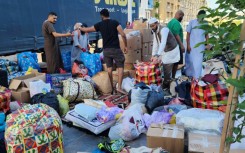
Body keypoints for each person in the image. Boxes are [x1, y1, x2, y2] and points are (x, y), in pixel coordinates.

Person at [79, 9, 128, 94]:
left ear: (102, 16)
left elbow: (87, 30)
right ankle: (119, 87)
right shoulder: (115, 22)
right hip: (116, 49)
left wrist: (80, 28)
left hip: (106, 50)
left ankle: (112, 88)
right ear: (109, 14)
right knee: (120, 66)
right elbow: (123, 34)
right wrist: (126, 46)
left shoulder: (100, 24)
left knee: (109, 68)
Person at [149, 18, 180, 90]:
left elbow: (163, 43)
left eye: (153, 26)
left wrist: (157, 55)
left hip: (172, 50)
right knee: (165, 68)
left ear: (157, 23)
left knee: (167, 67)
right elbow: (155, 43)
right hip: (166, 51)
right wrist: (153, 55)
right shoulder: (155, 31)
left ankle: (166, 85)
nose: (152, 28)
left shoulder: (164, 30)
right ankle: (168, 82)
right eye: (150, 26)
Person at [186, 10, 209, 79]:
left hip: (200, 48)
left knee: (198, 63)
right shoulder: (192, 22)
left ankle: (196, 78)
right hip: (192, 46)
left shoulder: (205, 23)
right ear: (197, 15)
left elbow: (207, 35)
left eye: (203, 17)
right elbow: (188, 34)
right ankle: (190, 76)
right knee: (191, 62)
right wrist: (188, 45)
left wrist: (207, 45)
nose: (202, 18)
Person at [167, 10, 185, 78]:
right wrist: (182, 45)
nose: (182, 19)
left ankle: (171, 77)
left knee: (172, 63)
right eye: (182, 17)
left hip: (170, 46)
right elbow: (176, 35)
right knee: (176, 63)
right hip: (176, 46)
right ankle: (174, 77)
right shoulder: (176, 23)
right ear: (180, 15)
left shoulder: (170, 22)